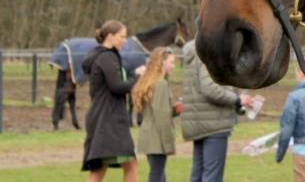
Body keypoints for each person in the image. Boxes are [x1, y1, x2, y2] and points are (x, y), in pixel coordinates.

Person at [180, 39, 254, 182]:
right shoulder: (208, 51)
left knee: (198, 174)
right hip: (214, 123)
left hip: (199, 122)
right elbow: (210, 88)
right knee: (212, 176)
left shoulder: (195, 51)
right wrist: (238, 99)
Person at [82, 20, 146, 181]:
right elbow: (117, 86)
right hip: (108, 119)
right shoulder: (107, 57)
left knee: (102, 167)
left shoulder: (103, 56)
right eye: (122, 37)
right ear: (110, 36)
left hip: (104, 117)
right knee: (129, 164)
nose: (125, 40)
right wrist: (138, 77)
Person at [132, 47, 180, 182]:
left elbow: (157, 111)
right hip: (157, 138)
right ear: (162, 63)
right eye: (171, 62)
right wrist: (168, 145)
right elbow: (162, 117)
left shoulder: (149, 83)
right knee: (157, 175)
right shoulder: (161, 84)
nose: (174, 66)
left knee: (160, 174)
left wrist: (176, 109)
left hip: (148, 136)